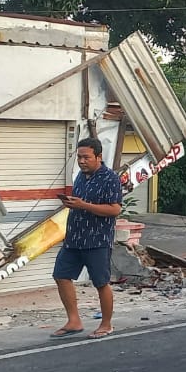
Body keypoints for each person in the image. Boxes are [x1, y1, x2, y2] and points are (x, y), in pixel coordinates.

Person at [50, 137, 122, 340]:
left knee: (101, 282)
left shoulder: (110, 178)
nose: (82, 161)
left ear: (99, 157)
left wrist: (84, 205)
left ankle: (106, 324)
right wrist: (71, 204)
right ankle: (74, 321)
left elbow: (115, 208)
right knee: (61, 275)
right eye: (79, 157)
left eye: (86, 157)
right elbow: (81, 202)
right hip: (74, 238)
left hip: (97, 240)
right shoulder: (81, 177)